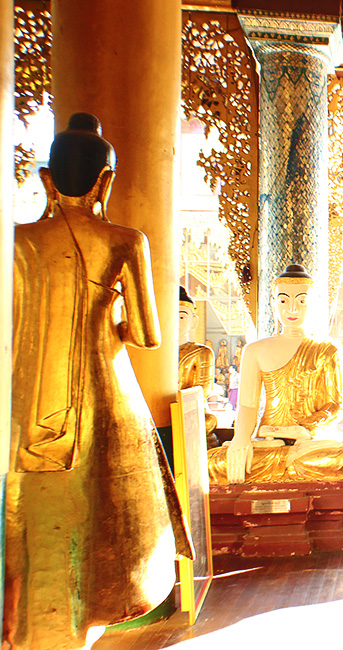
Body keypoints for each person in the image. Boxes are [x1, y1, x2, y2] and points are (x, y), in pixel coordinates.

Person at [5, 113, 191, 650]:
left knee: (33, 534)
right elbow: (149, 334)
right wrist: (109, 317)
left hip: (21, 408)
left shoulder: (15, 241)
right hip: (100, 397)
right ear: (106, 182)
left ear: (46, 179)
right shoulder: (124, 240)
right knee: (95, 535)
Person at [207, 264, 343, 484]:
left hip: (307, 444)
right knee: (213, 464)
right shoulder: (255, 349)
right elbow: (247, 405)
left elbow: (335, 405)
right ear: (273, 304)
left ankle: (289, 467)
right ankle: (288, 469)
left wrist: (305, 429)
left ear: (312, 305)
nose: (292, 309)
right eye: (283, 301)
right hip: (268, 442)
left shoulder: (327, 349)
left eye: (302, 301)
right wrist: (241, 439)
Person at [178, 285, 218, 435]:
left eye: (181, 317)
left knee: (207, 421)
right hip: (157, 409)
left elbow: (204, 390)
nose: (176, 322)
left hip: (188, 409)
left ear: (193, 322)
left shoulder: (202, 352)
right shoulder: (154, 354)